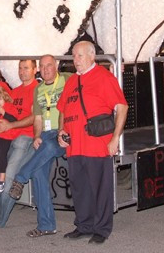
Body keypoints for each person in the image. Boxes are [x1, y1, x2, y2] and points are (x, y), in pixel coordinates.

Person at [56, 41, 128, 244]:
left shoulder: (104, 77)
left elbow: (122, 107)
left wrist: (115, 138)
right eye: (73, 56)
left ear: (92, 56)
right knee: (80, 189)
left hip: (97, 145)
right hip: (74, 146)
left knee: (100, 189)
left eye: (80, 55)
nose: (75, 60)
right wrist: (61, 131)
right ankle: (84, 225)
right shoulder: (72, 81)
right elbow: (62, 109)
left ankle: (102, 229)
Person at [8, 55, 69, 238]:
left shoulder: (67, 79)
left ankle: (20, 177)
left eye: (49, 65)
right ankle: (46, 225)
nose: (45, 69)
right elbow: (38, 118)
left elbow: (88, 74)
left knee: (49, 147)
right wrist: (36, 136)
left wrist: (115, 69)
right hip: (45, 133)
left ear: (56, 65)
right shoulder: (39, 89)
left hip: (64, 132)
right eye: (42, 66)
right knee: (38, 174)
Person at [0, 59, 38, 232]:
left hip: (25, 137)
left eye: (26, 68)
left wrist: (10, 125)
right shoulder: (14, 91)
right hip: (7, 135)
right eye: (20, 68)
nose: (22, 71)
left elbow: (34, 117)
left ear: (35, 70)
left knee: (10, 174)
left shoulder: (37, 89)